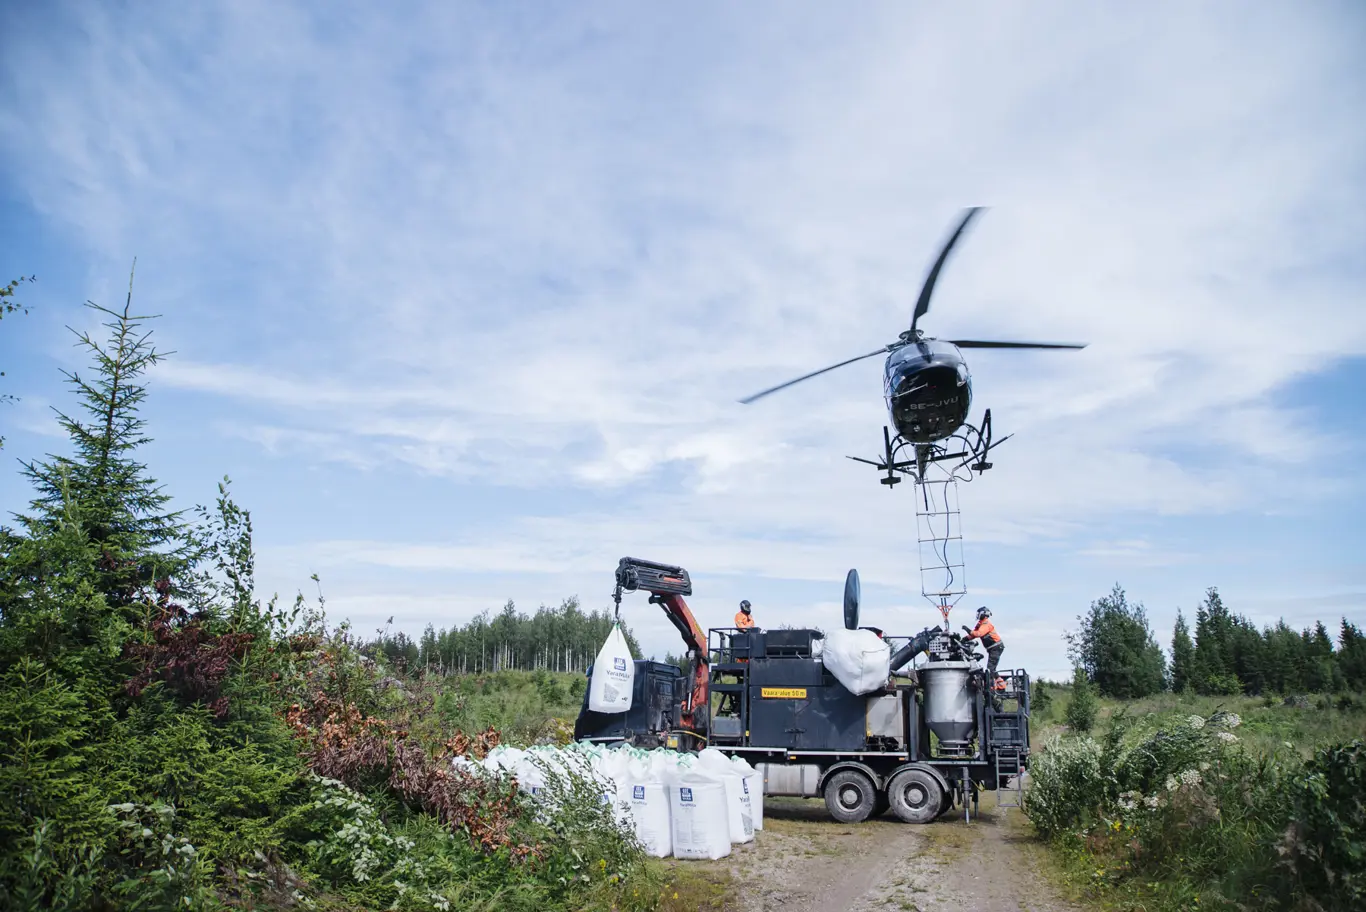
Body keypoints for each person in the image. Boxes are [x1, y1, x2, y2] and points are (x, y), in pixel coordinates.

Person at [962, 606, 1005, 689]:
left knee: (990, 669)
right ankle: (1000, 684)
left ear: (983, 614)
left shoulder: (986, 624)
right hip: (993, 648)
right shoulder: (980, 623)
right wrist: (964, 639)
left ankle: (991, 687)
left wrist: (967, 629)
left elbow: (978, 634)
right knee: (992, 668)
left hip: (996, 647)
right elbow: (973, 634)